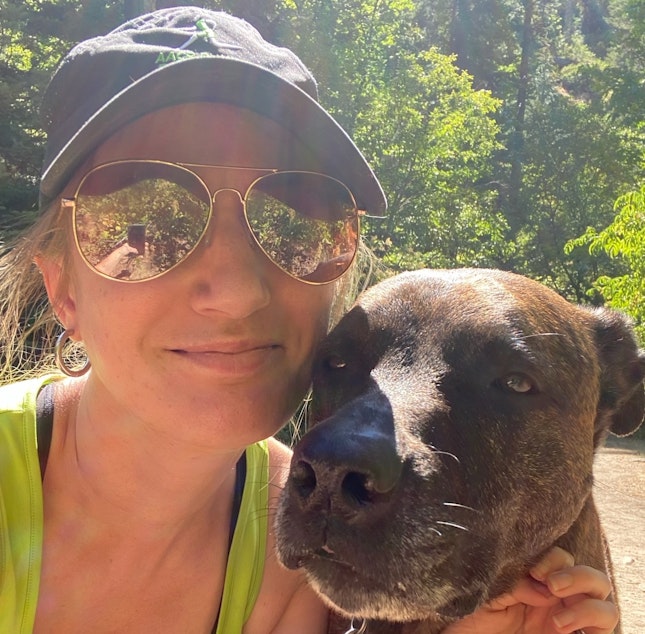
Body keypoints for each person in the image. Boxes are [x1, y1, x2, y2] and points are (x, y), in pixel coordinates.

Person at [0, 7, 618, 634]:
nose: (238, 290)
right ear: (63, 291)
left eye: (292, 219)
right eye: (144, 226)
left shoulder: (302, 563)